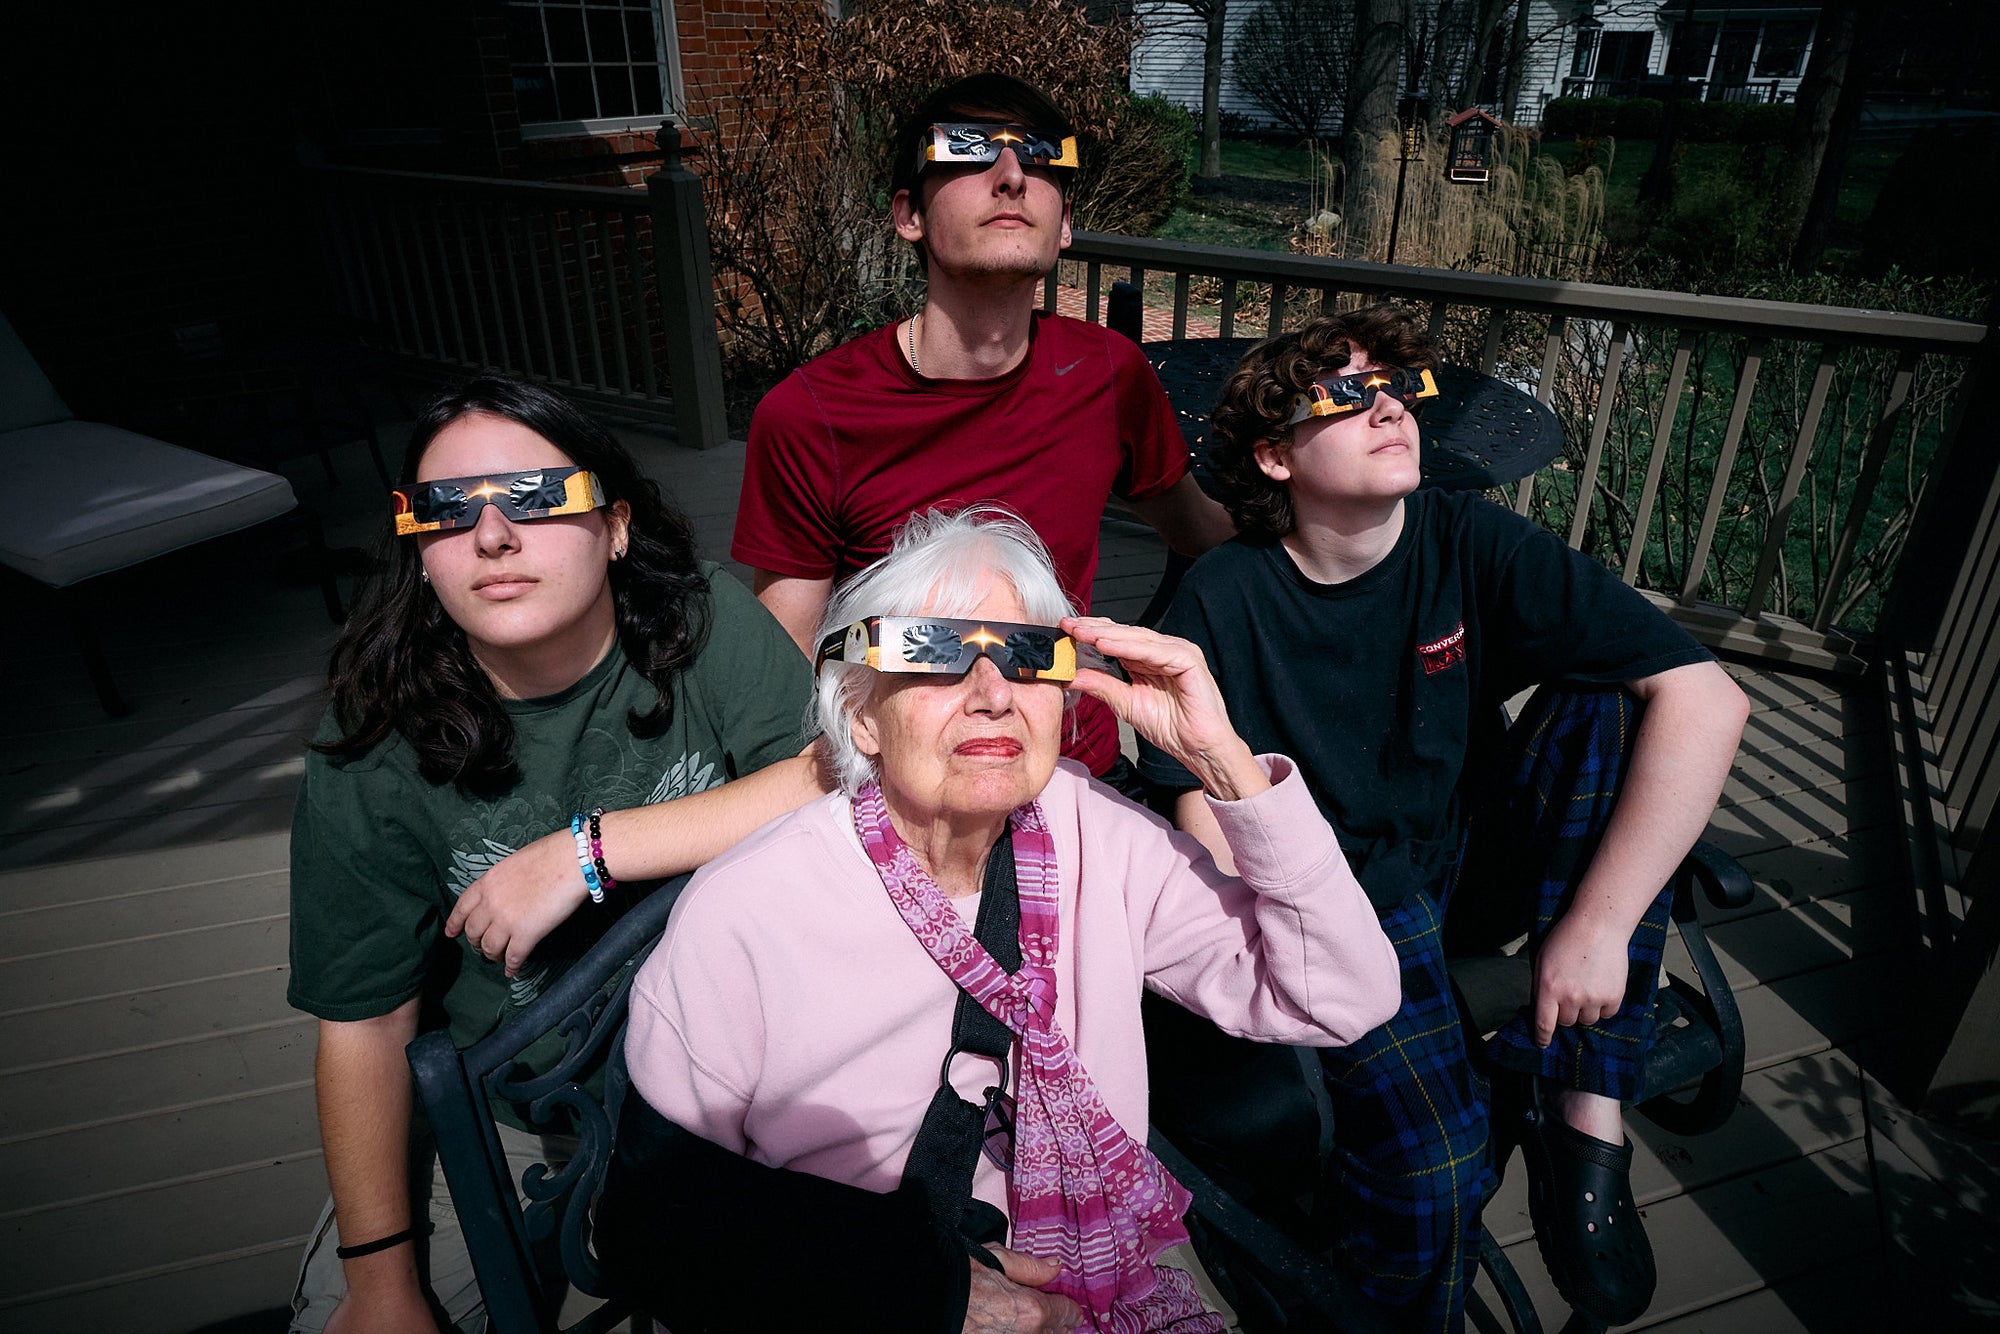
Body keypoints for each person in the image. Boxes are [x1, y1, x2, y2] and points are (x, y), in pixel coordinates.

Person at [602, 506, 1401, 1333]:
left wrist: (1226, 765)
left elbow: (1339, 996)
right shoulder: (746, 914)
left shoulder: (1098, 835)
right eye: (934, 653)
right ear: (863, 713)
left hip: (1106, 1290)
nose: (991, 694)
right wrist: (925, 1289)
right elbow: (653, 1222)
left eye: (1026, 656)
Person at [1135, 306, 1750, 1332]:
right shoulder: (1224, 596)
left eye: (1398, 388)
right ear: (1274, 457)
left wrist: (1596, 927)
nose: (1388, 409)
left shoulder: (1465, 535)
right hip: (1346, 905)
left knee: (1611, 695)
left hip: (1468, 857)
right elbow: (1193, 797)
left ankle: (1581, 1114)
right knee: (1436, 1174)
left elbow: (1706, 696)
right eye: (1344, 394)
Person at [285, 375, 825, 1333]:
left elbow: (833, 780)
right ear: (418, 550)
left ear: (615, 526)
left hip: (751, 1092)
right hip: (510, 1121)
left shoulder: (703, 623)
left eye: (536, 499)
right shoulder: (377, 734)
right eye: (447, 511)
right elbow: (366, 1022)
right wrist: (379, 1280)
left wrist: (591, 850)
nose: (492, 537)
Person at [730, 72, 1235, 789]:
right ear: (908, 214)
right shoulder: (810, 414)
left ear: (1063, 224)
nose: (1010, 176)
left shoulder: (1110, 374)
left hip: (1079, 775)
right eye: (967, 151)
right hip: (905, 785)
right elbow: (786, 668)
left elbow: (1202, 533)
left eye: (1041, 157)